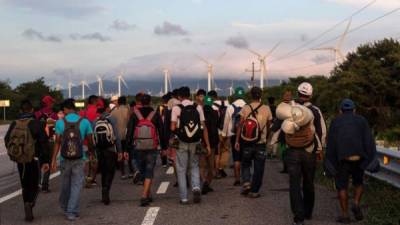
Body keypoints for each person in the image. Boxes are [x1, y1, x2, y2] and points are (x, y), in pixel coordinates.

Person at [325, 99, 378, 224]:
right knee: (358, 183)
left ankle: (345, 215)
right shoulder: (362, 120)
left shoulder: (336, 121)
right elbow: (369, 140)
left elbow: (331, 143)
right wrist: (369, 157)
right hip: (359, 158)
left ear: (340, 110)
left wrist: (330, 162)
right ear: (354, 110)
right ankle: (356, 203)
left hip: (343, 160)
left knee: (342, 186)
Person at [285, 82, 327, 225]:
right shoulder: (315, 110)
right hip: (309, 152)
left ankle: (299, 215)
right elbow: (322, 132)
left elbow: (279, 127)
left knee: (294, 183)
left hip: (292, 151)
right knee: (308, 182)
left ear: (298, 93)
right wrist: (320, 150)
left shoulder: (289, 108)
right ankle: (308, 211)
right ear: (310, 95)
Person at [5, 100, 50, 222]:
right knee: (35, 184)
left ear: (20, 110)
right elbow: (44, 143)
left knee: (25, 185)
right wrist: (46, 161)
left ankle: (26, 202)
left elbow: (7, 140)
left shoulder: (14, 124)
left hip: (20, 160)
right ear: (32, 110)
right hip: (34, 159)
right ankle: (30, 203)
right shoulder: (37, 123)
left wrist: (16, 153)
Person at [51, 99, 94, 221]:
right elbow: (90, 141)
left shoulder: (60, 123)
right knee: (76, 184)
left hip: (64, 158)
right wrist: (91, 154)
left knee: (65, 184)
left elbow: (57, 143)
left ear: (65, 109)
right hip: (80, 158)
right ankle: (71, 211)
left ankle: (65, 206)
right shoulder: (85, 122)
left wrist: (53, 160)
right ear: (74, 108)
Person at [170, 86, 211, 204]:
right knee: (195, 165)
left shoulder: (176, 108)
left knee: (181, 169)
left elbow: (172, 127)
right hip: (196, 141)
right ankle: (196, 187)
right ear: (190, 95)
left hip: (181, 142)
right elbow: (203, 127)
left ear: (179, 97)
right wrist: (207, 144)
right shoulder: (198, 107)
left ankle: (184, 198)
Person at [235, 87, 272, 198]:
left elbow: (240, 125)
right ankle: (254, 191)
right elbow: (269, 125)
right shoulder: (266, 109)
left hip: (247, 142)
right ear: (261, 95)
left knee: (245, 163)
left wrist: (237, 140)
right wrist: (267, 138)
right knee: (259, 167)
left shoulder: (246, 108)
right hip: (261, 143)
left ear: (251, 95)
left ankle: (246, 183)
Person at [126, 94, 162, 206]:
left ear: (140, 102)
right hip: (152, 147)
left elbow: (130, 132)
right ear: (150, 102)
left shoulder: (134, 114)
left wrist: (126, 149)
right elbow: (161, 131)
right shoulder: (155, 114)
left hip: (138, 147)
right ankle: (145, 194)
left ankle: (146, 193)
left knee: (142, 170)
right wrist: (165, 147)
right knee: (149, 170)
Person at [93, 100, 123, 205]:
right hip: (110, 149)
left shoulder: (95, 121)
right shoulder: (111, 119)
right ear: (107, 109)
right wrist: (120, 151)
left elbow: (93, 137)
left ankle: (103, 190)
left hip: (99, 149)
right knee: (111, 171)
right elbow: (117, 136)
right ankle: (107, 188)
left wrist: (93, 152)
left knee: (103, 171)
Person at [223, 87, 246, 186]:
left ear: (235, 95)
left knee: (236, 158)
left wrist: (224, 135)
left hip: (233, 135)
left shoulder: (230, 107)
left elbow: (226, 122)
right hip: (246, 135)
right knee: (245, 157)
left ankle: (237, 179)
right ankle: (246, 179)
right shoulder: (247, 106)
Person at [35, 95, 58, 193]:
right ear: (49, 103)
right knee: (48, 162)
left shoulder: (36, 114)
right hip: (50, 141)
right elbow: (57, 128)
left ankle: (38, 185)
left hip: (39, 142)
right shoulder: (54, 115)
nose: (52, 104)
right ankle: (45, 185)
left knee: (38, 163)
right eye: (51, 102)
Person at [199, 93, 219, 194]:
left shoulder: (199, 113)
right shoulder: (215, 113)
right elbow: (218, 125)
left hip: (202, 142)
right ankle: (207, 183)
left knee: (202, 165)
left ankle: (203, 182)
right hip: (213, 142)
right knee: (212, 167)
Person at [209, 90, 230, 179]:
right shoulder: (227, 104)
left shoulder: (212, 106)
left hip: (217, 132)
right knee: (225, 150)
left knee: (216, 152)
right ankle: (221, 167)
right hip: (227, 131)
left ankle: (216, 171)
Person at [270, 91, 293, 173]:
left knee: (290, 151)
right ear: (283, 96)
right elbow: (278, 120)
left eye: (289, 95)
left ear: (291, 96)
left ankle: (289, 167)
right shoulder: (280, 106)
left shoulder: (294, 105)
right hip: (283, 133)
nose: (287, 96)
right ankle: (286, 167)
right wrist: (273, 130)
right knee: (284, 151)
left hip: (292, 132)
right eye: (286, 95)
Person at [110, 96, 132, 180]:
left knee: (120, 154)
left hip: (117, 136)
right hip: (127, 136)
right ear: (126, 102)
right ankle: (131, 171)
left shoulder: (114, 112)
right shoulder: (128, 111)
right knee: (128, 153)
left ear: (118, 102)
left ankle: (123, 173)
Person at [80, 95, 99, 188]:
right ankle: (92, 179)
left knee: (85, 160)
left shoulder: (82, 112)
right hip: (94, 140)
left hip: (83, 141)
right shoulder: (97, 112)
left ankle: (85, 177)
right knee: (94, 159)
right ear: (95, 101)